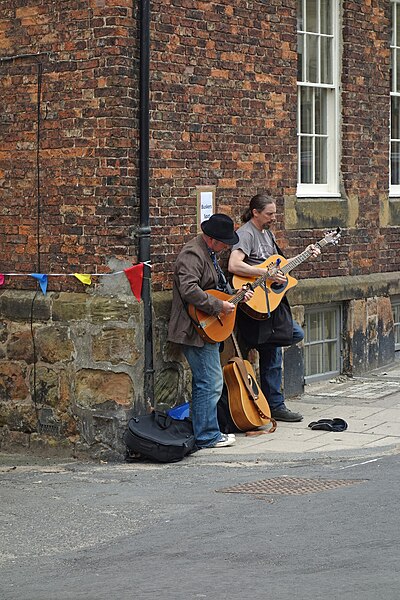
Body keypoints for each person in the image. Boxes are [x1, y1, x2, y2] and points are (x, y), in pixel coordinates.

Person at [228, 193, 321, 422]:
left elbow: (278, 267)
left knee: (279, 345)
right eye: (269, 214)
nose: (273, 218)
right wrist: (263, 273)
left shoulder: (267, 234)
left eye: (274, 213)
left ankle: (273, 404)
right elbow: (234, 264)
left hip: (271, 303)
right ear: (255, 212)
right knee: (279, 346)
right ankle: (273, 404)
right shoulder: (246, 233)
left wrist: (307, 254)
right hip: (254, 303)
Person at [168, 213, 253, 448]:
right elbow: (189, 289)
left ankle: (205, 431)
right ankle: (207, 435)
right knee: (210, 381)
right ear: (211, 238)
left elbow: (217, 287)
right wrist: (218, 305)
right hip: (194, 328)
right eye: (224, 242)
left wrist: (238, 296)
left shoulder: (210, 253)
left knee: (207, 381)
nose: (227, 247)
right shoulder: (192, 254)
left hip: (207, 328)